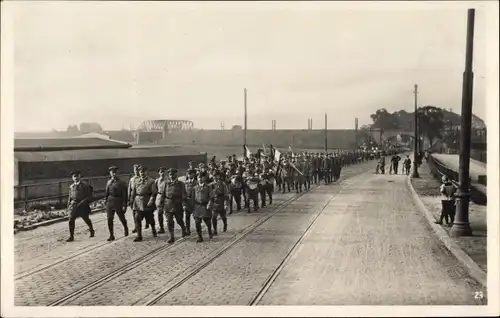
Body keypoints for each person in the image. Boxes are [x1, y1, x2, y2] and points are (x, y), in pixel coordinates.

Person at [129, 166, 157, 242]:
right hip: (138, 202)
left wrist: (151, 201)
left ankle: (153, 229)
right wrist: (131, 200)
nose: (142, 173)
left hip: (147, 201)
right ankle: (139, 235)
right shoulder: (136, 180)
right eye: (140, 172)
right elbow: (134, 191)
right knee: (137, 218)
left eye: (143, 172)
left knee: (150, 218)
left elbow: (154, 193)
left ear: (146, 172)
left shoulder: (151, 181)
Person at [66, 170, 95, 242]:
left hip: (82, 205)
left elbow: (89, 196)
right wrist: (68, 206)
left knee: (86, 219)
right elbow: (70, 197)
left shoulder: (85, 185)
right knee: (71, 220)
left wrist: (83, 202)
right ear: (72, 178)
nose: (76, 178)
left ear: (80, 176)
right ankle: (71, 236)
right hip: (74, 205)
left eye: (77, 176)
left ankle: (91, 229)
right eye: (74, 176)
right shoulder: (71, 186)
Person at [163, 168, 188, 243]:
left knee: (179, 220)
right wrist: (160, 205)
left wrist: (184, 204)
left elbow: (184, 194)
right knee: (169, 221)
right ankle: (171, 236)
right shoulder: (166, 183)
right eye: (170, 174)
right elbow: (163, 194)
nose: (172, 176)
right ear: (168, 175)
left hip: (178, 204)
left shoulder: (181, 184)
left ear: (176, 174)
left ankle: (183, 229)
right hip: (168, 204)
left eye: (173, 174)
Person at [104, 166, 129, 241]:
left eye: (115, 172)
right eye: (112, 172)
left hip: (118, 201)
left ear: (117, 173)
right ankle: (111, 235)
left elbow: (125, 195)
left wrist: (124, 205)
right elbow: (107, 193)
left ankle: (125, 228)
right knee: (109, 219)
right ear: (110, 173)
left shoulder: (121, 183)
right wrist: (106, 202)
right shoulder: (108, 182)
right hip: (110, 202)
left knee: (121, 218)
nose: (114, 174)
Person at [193, 172, 213, 242]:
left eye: (201, 177)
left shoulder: (208, 187)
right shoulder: (195, 188)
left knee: (207, 222)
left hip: (205, 206)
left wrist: (209, 204)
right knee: (197, 222)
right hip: (197, 207)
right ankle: (199, 236)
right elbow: (192, 198)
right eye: (198, 177)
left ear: (204, 178)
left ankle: (210, 232)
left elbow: (211, 197)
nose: (200, 179)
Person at [210, 170, 229, 235]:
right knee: (213, 217)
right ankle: (215, 230)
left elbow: (226, 194)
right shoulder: (211, 185)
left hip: (221, 201)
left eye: (217, 176)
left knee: (223, 216)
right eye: (214, 176)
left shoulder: (222, 184)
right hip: (214, 202)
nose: (215, 177)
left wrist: (226, 204)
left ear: (219, 176)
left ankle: (225, 224)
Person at [154, 167, 167, 234]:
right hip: (159, 197)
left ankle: (171, 226)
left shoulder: (168, 180)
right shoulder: (157, 181)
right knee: (159, 213)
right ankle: (161, 228)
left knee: (168, 213)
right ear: (158, 173)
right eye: (161, 172)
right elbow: (155, 190)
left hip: (167, 198)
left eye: (163, 171)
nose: (162, 173)